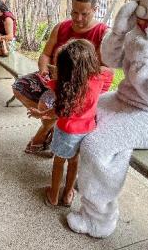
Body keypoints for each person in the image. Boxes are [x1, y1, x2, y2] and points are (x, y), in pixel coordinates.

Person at [11, 0, 109, 155]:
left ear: (95, 10)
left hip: (82, 86)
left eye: (84, 14)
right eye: (74, 13)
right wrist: (43, 71)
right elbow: (45, 54)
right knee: (19, 87)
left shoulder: (103, 33)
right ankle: (55, 123)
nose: (78, 18)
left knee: (48, 103)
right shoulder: (61, 27)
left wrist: (70, 75)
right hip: (55, 77)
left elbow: (105, 69)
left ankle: (45, 129)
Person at [29, 40, 113, 207]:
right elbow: (108, 72)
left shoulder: (64, 86)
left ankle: (53, 195)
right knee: (74, 162)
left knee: (59, 162)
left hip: (66, 131)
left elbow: (58, 111)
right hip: (87, 131)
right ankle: (68, 194)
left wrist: (41, 113)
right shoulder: (98, 80)